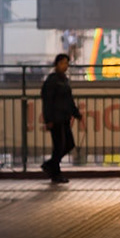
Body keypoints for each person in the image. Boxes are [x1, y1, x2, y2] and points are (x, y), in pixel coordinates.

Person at [39, 53, 82, 183]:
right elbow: (47, 101)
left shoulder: (64, 80)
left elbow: (69, 100)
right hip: (55, 118)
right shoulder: (52, 81)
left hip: (64, 118)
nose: (65, 66)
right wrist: (49, 120)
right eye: (63, 63)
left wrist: (76, 113)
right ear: (57, 64)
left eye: (67, 63)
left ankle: (50, 165)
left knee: (69, 144)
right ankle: (55, 172)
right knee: (58, 146)